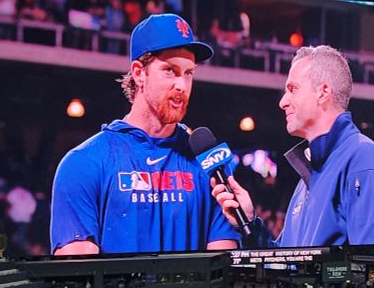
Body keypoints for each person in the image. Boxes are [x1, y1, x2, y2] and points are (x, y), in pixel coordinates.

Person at [49, 14, 239, 254]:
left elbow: (221, 264)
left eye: (188, 73)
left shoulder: (213, 165)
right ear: (139, 73)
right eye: (170, 70)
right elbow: (79, 276)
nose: (182, 85)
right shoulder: (83, 163)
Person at [213, 45, 374, 248]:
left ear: (323, 92)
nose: (283, 101)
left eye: (293, 89)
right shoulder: (309, 175)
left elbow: (372, 264)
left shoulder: (362, 159)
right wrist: (249, 222)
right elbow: (286, 262)